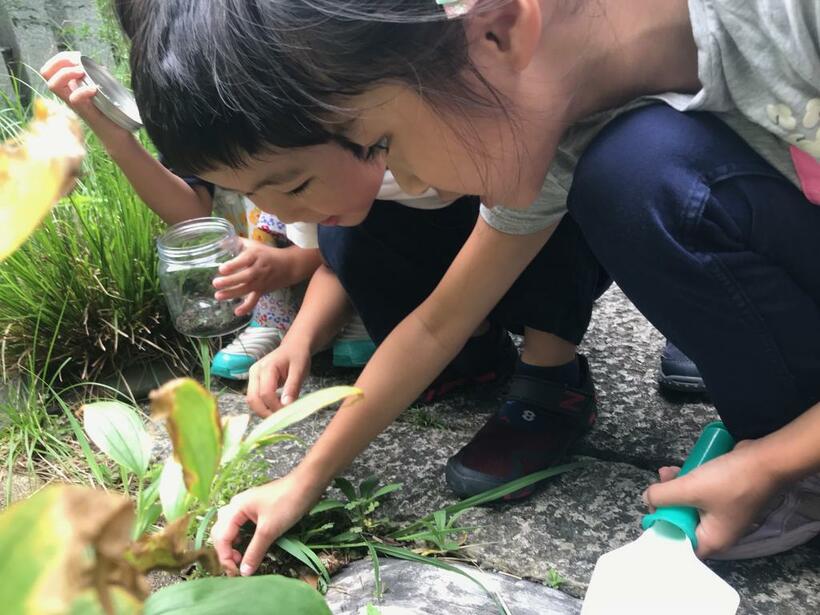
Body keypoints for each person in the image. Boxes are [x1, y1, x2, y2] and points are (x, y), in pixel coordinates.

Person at [117, 0, 820, 576]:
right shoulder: (561, 132)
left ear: (497, 29)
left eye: (380, 144)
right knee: (633, 171)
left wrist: (772, 461)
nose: (410, 186)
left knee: (643, 173)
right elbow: (435, 324)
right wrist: (304, 476)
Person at [39, 51, 374, 378]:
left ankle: (359, 304)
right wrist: (116, 137)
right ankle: (274, 317)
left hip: (344, 244)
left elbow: (355, 210)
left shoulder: (286, 84)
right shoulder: (200, 98)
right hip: (270, 269)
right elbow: (190, 213)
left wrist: (288, 264)